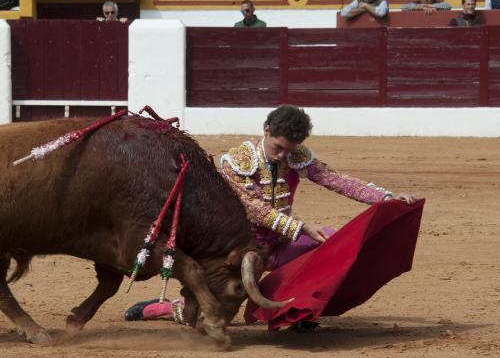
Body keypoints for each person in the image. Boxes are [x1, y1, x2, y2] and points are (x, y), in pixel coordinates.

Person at [127, 105, 417, 329]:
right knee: (216, 314)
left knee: (330, 244)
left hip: (279, 244)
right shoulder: (238, 162)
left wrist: (386, 198)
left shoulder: (295, 156)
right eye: (279, 148)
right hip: (239, 251)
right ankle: (165, 308)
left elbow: (334, 179)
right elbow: (254, 208)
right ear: (265, 130)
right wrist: (300, 227)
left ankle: (302, 312)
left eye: (289, 150)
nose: (282, 156)